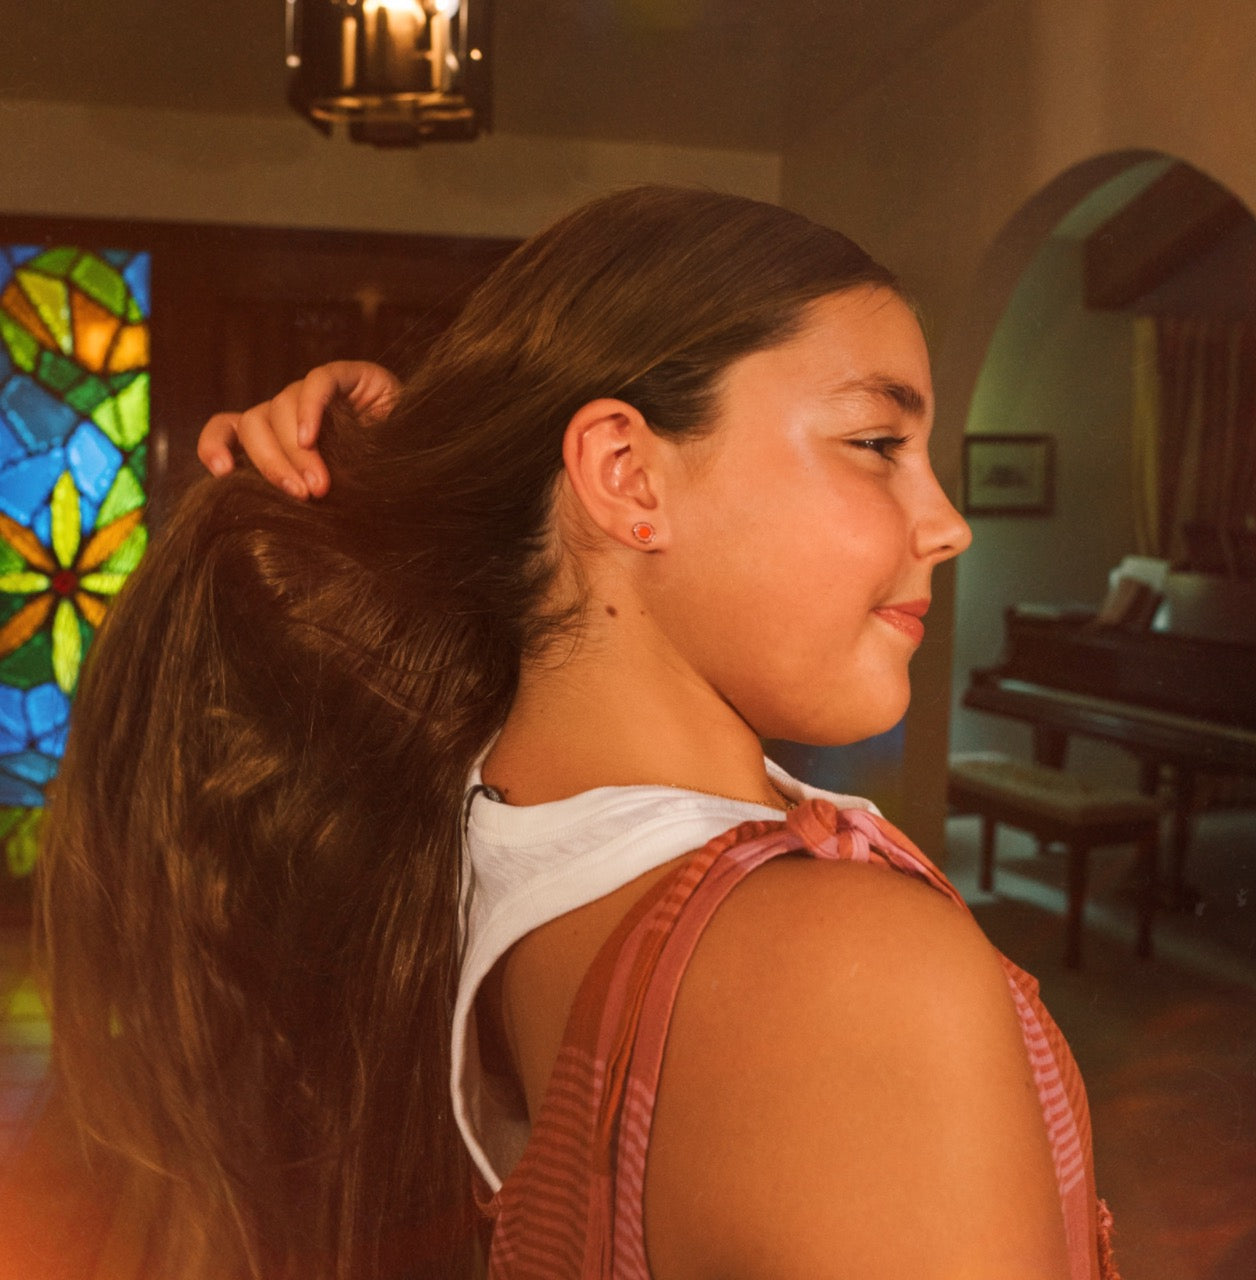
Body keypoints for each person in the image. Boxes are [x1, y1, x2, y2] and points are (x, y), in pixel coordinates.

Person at [38, 186, 1118, 1280]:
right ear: (625, 473)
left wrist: (403, 465)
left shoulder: (492, 837)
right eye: (877, 441)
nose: (947, 525)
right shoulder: (847, 975)